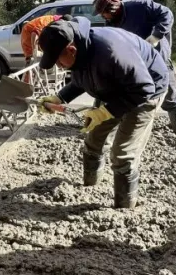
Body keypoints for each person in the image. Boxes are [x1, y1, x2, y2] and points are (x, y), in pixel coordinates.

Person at [37, 16, 168, 209]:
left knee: (123, 153)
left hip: (146, 91)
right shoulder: (80, 48)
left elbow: (143, 88)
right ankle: (90, 185)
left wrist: (105, 112)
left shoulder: (111, 53)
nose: (58, 67)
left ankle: (124, 207)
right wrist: (60, 98)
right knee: (94, 138)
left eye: (58, 61)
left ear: (71, 50)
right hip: (115, 87)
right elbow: (83, 77)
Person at [94, 0, 176, 136]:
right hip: (135, 57)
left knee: (168, 92)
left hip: (157, 55)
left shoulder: (141, 6)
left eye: (104, 13)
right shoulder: (111, 21)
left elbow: (167, 14)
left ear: (113, 9)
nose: (102, 17)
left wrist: (156, 36)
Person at [20, 13, 61, 81]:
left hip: (35, 38)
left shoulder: (54, 22)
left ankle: (35, 82)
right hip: (28, 36)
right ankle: (26, 86)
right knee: (31, 62)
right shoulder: (48, 22)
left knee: (37, 63)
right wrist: (34, 51)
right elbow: (34, 33)